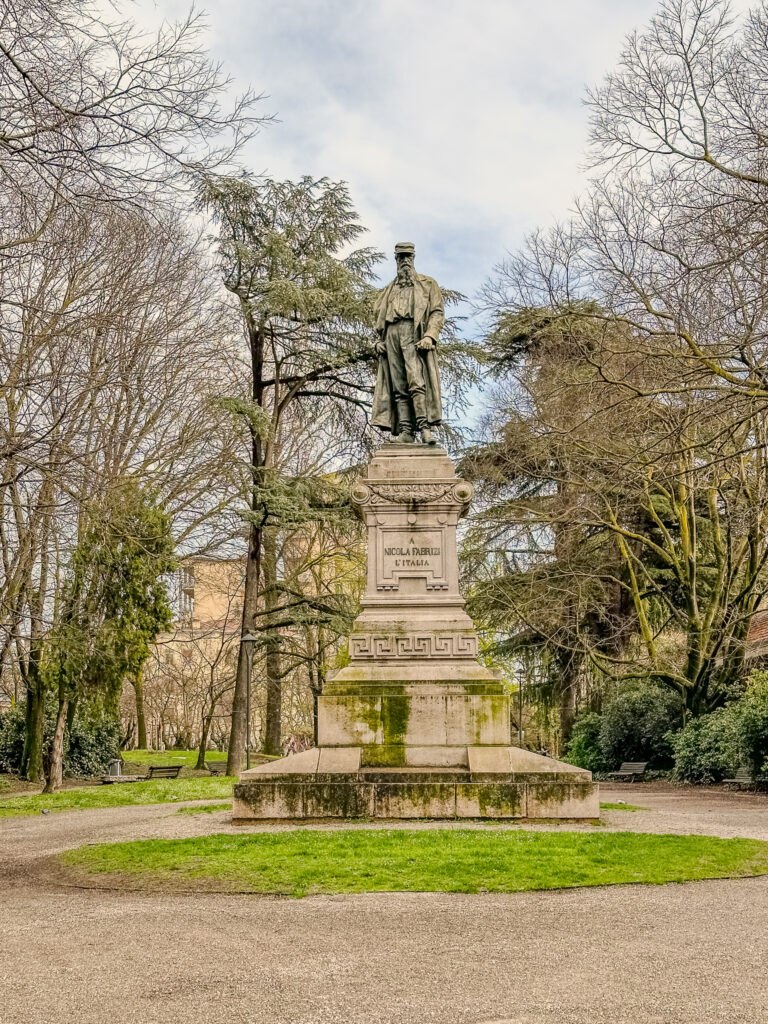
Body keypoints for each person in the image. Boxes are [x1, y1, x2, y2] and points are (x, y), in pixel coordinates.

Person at [371, 242, 444, 444]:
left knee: (416, 381)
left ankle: (424, 428)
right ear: (395, 260)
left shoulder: (428, 284)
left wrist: (430, 336)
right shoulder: (388, 290)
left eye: (408, 257)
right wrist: (378, 341)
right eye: (401, 257)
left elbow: (437, 313)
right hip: (391, 335)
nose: (404, 261)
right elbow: (379, 319)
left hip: (413, 333)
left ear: (413, 259)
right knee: (398, 384)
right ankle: (405, 431)